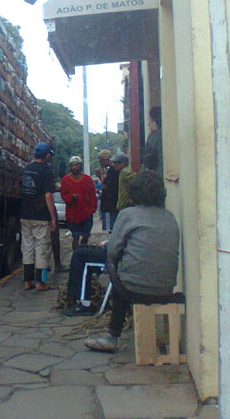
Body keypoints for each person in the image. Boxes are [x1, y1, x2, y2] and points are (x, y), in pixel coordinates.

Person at [84, 171, 180, 352]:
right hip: (166, 288)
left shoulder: (128, 214)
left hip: (133, 290)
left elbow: (112, 251)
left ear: (134, 193)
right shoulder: (170, 216)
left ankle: (112, 335)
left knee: (114, 268)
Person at [20, 142, 57, 291]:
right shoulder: (46, 171)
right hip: (40, 216)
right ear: (47, 155)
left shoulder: (27, 169)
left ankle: (27, 281)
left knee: (27, 247)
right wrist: (53, 217)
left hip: (25, 214)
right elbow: (48, 196)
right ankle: (41, 283)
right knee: (42, 248)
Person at [61, 243, 108, 316]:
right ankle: (74, 297)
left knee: (80, 257)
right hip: (116, 252)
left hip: (118, 260)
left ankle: (85, 304)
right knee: (79, 248)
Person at [60, 156, 97, 248]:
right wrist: (71, 197)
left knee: (85, 237)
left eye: (76, 165)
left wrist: (92, 210)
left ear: (80, 165)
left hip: (86, 214)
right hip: (72, 215)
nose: (74, 167)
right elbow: (63, 195)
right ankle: (76, 256)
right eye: (72, 165)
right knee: (75, 237)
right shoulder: (66, 180)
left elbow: (93, 195)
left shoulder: (88, 179)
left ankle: (83, 253)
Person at [98, 150, 120, 232]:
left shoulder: (112, 171)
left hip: (110, 204)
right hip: (114, 203)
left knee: (111, 229)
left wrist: (101, 174)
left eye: (101, 160)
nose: (100, 163)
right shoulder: (113, 170)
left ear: (105, 160)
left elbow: (105, 186)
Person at [142, 106, 163, 176]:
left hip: (156, 177)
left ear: (156, 121)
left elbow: (148, 161)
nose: (148, 124)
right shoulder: (168, 134)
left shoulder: (153, 137)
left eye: (151, 121)